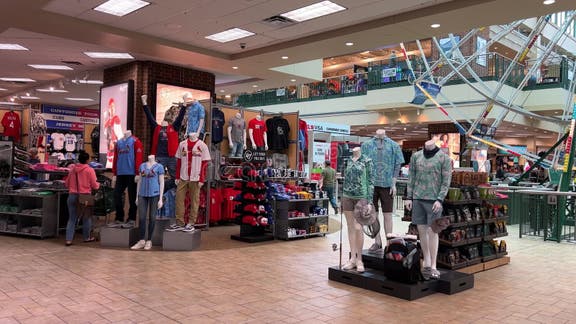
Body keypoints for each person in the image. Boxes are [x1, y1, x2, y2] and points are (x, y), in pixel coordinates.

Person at [405, 136, 452, 280]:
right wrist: (409, 196)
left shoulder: (443, 158)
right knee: (421, 230)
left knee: (433, 231)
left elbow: (446, 180)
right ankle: (426, 260)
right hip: (418, 198)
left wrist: (440, 198)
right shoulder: (416, 156)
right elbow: (411, 177)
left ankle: (433, 265)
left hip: (434, 200)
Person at [361, 128, 404, 251]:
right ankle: (377, 241)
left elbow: (397, 165)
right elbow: (363, 165)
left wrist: (394, 183)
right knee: (372, 215)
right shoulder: (366, 145)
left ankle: (389, 242)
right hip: (371, 185)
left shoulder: (393, 145)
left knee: (388, 215)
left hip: (387, 185)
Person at [341, 147, 373, 273]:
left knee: (358, 227)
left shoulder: (367, 161)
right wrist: (341, 198)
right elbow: (344, 180)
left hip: (361, 197)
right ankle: (352, 258)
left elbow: (371, 181)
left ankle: (360, 259)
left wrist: (369, 201)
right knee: (350, 227)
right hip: (347, 196)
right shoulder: (347, 161)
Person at [64, 151, 100, 246]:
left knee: (72, 219)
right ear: (87, 160)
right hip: (85, 196)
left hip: (72, 195)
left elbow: (67, 183)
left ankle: (68, 240)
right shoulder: (90, 170)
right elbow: (94, 185)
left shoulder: (72, 170)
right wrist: (98, 185)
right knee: (86, 218)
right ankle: (86, 237)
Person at [132, 155, 165, 250]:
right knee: (142, 217)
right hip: (142, 194)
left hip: (154, 194)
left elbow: (162, 182)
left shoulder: (159, 167)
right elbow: (139, 181)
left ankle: (149, 240)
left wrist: (160, 198)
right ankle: (141, 240)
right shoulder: (142, 166)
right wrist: (137, 196)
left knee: (152, 217)